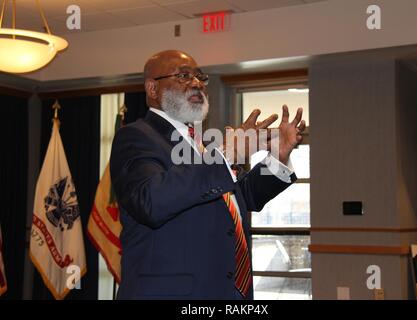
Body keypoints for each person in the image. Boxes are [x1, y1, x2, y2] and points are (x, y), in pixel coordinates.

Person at [110, 50, 306, 299]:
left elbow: (240, 199)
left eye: (200, 77)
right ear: (152, 88)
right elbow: (151, 201)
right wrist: (228, 154)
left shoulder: (198, 143)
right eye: (183, 75)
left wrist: (278, 158)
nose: (196, 83)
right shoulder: (136, 137)